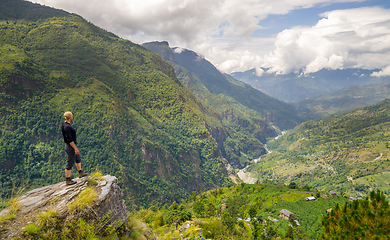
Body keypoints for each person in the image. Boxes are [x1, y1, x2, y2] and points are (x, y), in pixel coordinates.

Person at [61, 111, 87, 185]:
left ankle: (80, 172)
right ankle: (68, 179)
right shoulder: (67, 127)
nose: (73, 117)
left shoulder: (65, 124)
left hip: (70, 145)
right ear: (70, 117)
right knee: (70, 162)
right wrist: (75, 148)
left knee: (77, 158)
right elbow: (69, 139)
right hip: (70, 146)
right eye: (72, 116)